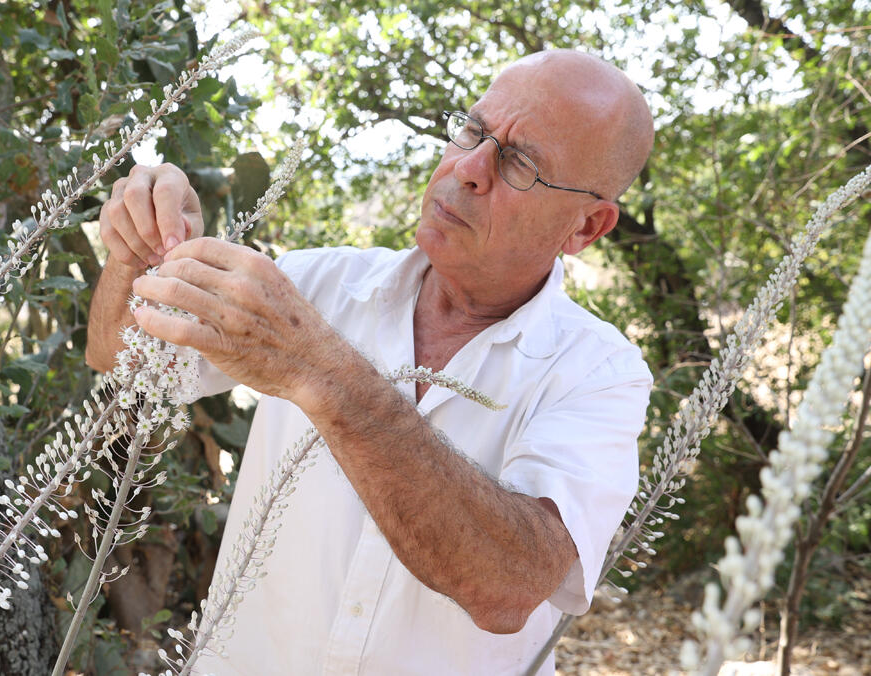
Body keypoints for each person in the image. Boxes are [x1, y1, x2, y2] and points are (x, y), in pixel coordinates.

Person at [86, 49, 655, 675]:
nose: (468, 168)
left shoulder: (599, 373)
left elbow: (509, 587)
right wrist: (137, 251)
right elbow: (121, 358)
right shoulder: (312, 283)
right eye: (472, 130)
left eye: (520, 162)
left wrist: (319, 370)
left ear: (586, 227)